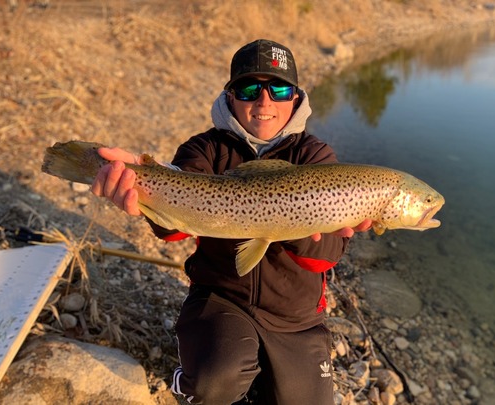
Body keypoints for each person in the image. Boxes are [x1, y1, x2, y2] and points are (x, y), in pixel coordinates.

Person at [92, 39, 372, 405]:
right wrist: (141, 184)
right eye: (249, 89)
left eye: (279, 89)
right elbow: (174, 225)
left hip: (296, 317)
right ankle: (191, 382)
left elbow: (326, 257)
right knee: (212, 385)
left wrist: (297, 225)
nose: (264, 102)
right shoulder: (204, 149)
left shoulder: (315, 156)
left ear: (296, 97)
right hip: (221, 299)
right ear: (230, 96)